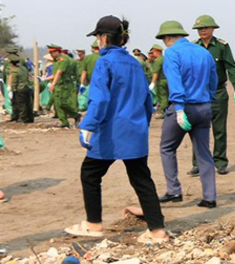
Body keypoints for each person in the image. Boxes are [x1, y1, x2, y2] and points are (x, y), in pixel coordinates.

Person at [69, 16, 167, 243]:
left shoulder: (104, 62)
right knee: (142, 179)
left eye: (97, 36)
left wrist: (88, 125)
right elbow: (146, 101)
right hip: (135, 131)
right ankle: (157, 230)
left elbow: (100, 99)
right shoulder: (134, 62)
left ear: (104, 37)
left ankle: (93, 224)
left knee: (90, 174)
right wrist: (142, 125)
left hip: (111, 132)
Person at [155, 20, 218, 208]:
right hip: (204, 106)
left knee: (167, 148)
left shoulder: (172, 53)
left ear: (167, 38)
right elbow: (213, 80)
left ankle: (174, 190)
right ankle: (210, 196)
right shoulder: (203, 52)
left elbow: (175, 82)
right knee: (203, 152)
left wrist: (180, 109)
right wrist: (209, 97)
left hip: (183, 107)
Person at [188, 15, 235, 176]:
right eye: (199, 29)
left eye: (205, 28)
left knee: (219, 129)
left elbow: (231, 68)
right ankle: (197, 163)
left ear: (213, 29)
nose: (202, 31)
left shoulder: (222, 47)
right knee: (197, 129)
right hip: (198, 93)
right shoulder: (193, 47)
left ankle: (220, 161)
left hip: (218, 92)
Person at [45, 44, 81, 128]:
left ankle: (76, 115)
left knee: (63, 103)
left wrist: (52, 84)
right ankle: (65, 123)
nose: (51, 55)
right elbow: (55, 74)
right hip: (58, 85)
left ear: (57, 52)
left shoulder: (63, 60)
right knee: (57, 105)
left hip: (64, 85)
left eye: (52, 53)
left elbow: (59, 73)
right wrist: (44, 79)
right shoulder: (56, 61)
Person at [7, 54, 33, 123]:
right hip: (26, 87)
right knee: (28, 103)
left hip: (19, 89)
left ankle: (22, 118)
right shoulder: (23, 68)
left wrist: (12, 90)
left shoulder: (14, 71)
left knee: (21, 104)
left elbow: (14, 81)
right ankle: (29, 118)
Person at [148, 44, 168, 118]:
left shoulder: (158, 61)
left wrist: (153, 82)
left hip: (161, 81)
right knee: (167, 95)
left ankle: (164, 112)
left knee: (162, 96)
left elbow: (156, 73)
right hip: (167, 80)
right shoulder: (165, 59)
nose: (153, 54)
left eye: (153, 52)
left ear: (157, 52)